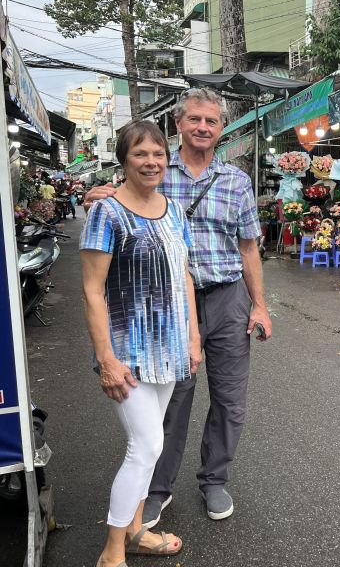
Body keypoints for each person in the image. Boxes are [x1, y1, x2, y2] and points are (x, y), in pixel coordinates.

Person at [85, 87, 272, 525]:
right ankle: (157, 486)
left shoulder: (237, 181)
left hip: (228, 299)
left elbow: (249, 249)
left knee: (230, 400)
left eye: (211, 121)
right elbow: (123, 200)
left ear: (222, 128)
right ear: (178, 124)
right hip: (169, 304)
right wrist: (102, 195)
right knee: (172, 399)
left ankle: (214, 480)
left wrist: (259, 305)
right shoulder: (154, 169)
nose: (203, 127)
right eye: (194, 120)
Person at [80, 121, 202, 567]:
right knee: (147, 446)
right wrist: (106, 359)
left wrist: (192, 337)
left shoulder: (173, 210)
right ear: (124, 161)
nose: (151, 162)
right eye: (140, 155)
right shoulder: (106, 213)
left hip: (170, 347)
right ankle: (112, 554)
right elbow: (92, 290)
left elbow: (183, 274)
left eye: (157, 154)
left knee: (151, 443)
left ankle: (135, 530)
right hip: (127, 351)